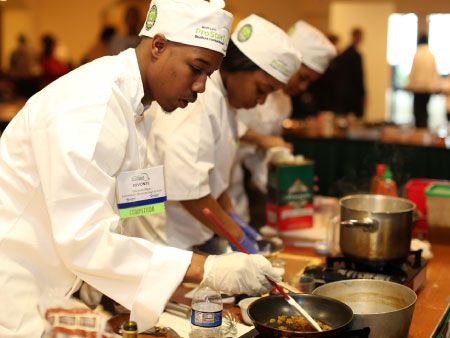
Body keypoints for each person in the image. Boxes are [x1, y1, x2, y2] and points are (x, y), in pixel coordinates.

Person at [0, 1, 281, 337]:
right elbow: (85, 240)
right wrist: (209, 269)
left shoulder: (138, 105)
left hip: (64, 285)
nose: (202, 86)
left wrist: (171, 290)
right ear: (159, 46)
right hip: (19, 288)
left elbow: (123, 212)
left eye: (209, 75)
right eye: (197, 68)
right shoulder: (92, 105)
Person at [136, 15, 302, 253]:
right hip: (166, 239)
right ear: (240, 68)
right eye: (261, 89)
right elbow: (188, 188)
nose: (261, 101)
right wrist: (237, 237)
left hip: (192, 234)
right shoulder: (199, 99)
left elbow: (215, 176)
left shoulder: (225, 99)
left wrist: (234, 218)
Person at [230, 21, 337, 223]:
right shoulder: (234, 86)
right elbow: (225, 125)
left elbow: (258, 158)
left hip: (231, 187)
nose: (304, 87)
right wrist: (261, 139)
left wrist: (286, 180)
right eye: (303, 77)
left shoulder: (284, 103)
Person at [406, 33, 441, 128]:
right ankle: (423, 128)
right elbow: (434, 73)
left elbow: (413, 72)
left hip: (417, 88)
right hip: (427, 88)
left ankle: (420, 130)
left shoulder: (417, 54)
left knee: (418, 111)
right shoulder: (431, 55)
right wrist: (436, 86)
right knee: (424, 110)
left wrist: (409, 85)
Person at [333, 27, 366, 118]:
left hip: (344, 94)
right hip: (352, 95)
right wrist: (363, 95)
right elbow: (359, 77)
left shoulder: (344, 53)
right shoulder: (354, 55)